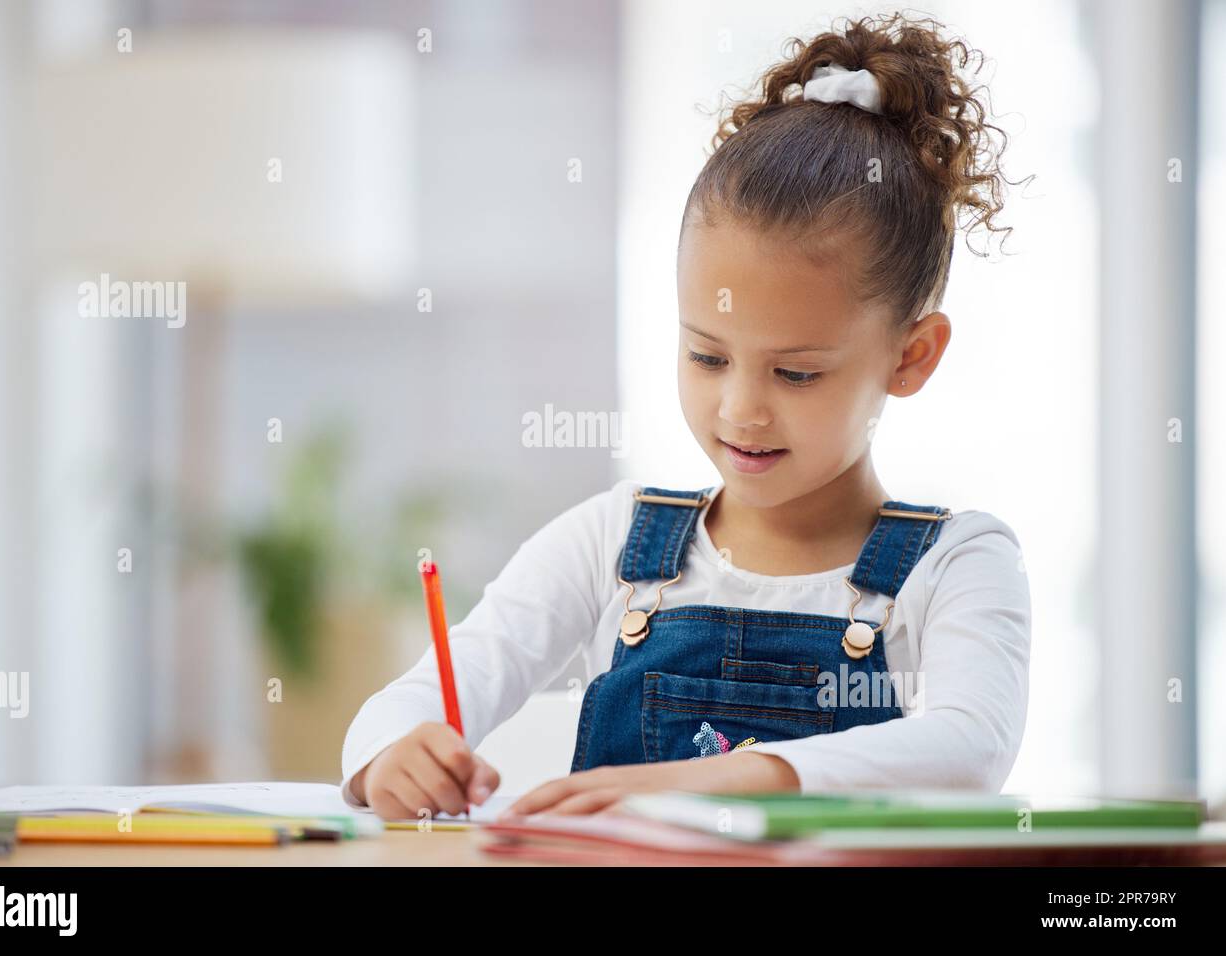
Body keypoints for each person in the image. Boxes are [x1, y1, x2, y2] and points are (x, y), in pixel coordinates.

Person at [342, 11, 1032, 821]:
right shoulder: (613, 543)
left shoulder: (955, 564)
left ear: (911, 356)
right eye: (707, 356)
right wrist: (394, 752)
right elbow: (415, 698)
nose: (741, 408)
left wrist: (710, 780)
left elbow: (968, 746)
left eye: (796, 372)